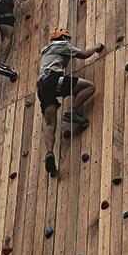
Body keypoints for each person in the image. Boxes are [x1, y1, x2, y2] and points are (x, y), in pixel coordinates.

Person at [38, 27, 104, 176]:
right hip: (53, 79)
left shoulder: (46, 50)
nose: (69, 41)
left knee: (50, 124)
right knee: (89, 86)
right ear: (63, 37)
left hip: (42, 86)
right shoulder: (62, 45)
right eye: (68, 38)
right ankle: (73, 112)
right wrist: (97, 46)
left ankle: (49, 153)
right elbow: (83, 54)